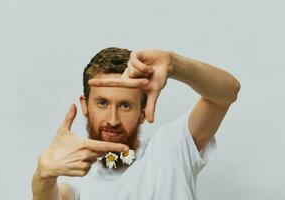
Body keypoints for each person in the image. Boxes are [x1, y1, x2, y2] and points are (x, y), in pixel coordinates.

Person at [32, 47, 241, 200]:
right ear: (85, 107)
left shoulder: (172, 147)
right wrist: (44, 175)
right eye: (102, 102)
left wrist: (174, 64)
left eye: (125, 105)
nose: (112, 120)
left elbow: (226, 93)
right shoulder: (77, 178)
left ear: (143, 112)